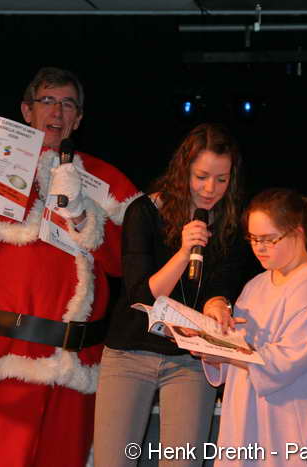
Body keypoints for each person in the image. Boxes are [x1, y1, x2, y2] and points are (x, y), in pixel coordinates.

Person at [0, 66, 139, 466]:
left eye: (68, 104)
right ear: (26, 110)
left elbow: (128, 263)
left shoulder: (103, 179)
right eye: (47, 101)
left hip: (78, 365)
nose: (57, 112)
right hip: (7, 360)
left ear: (79, 118)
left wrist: (81, 214)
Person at [94, 123, 247, 467]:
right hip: (130, 353)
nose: (210, 189)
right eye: (201, 176)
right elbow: (141, 296)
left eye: (221, 180)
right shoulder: (144, 212)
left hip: (189, 359)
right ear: (183, 170)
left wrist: (218, 305)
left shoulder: (230, 223)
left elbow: (221, 286)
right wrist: (184, 251)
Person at [200, 188, 307, 467]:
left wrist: (229, 352)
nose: (259, 247)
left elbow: (283, 363)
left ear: (297, 233)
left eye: (268, 239)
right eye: (253, 238)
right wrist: (210, 343)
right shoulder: (255, 285)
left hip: (303, 425)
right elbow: (238, 351)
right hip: (254, 424)